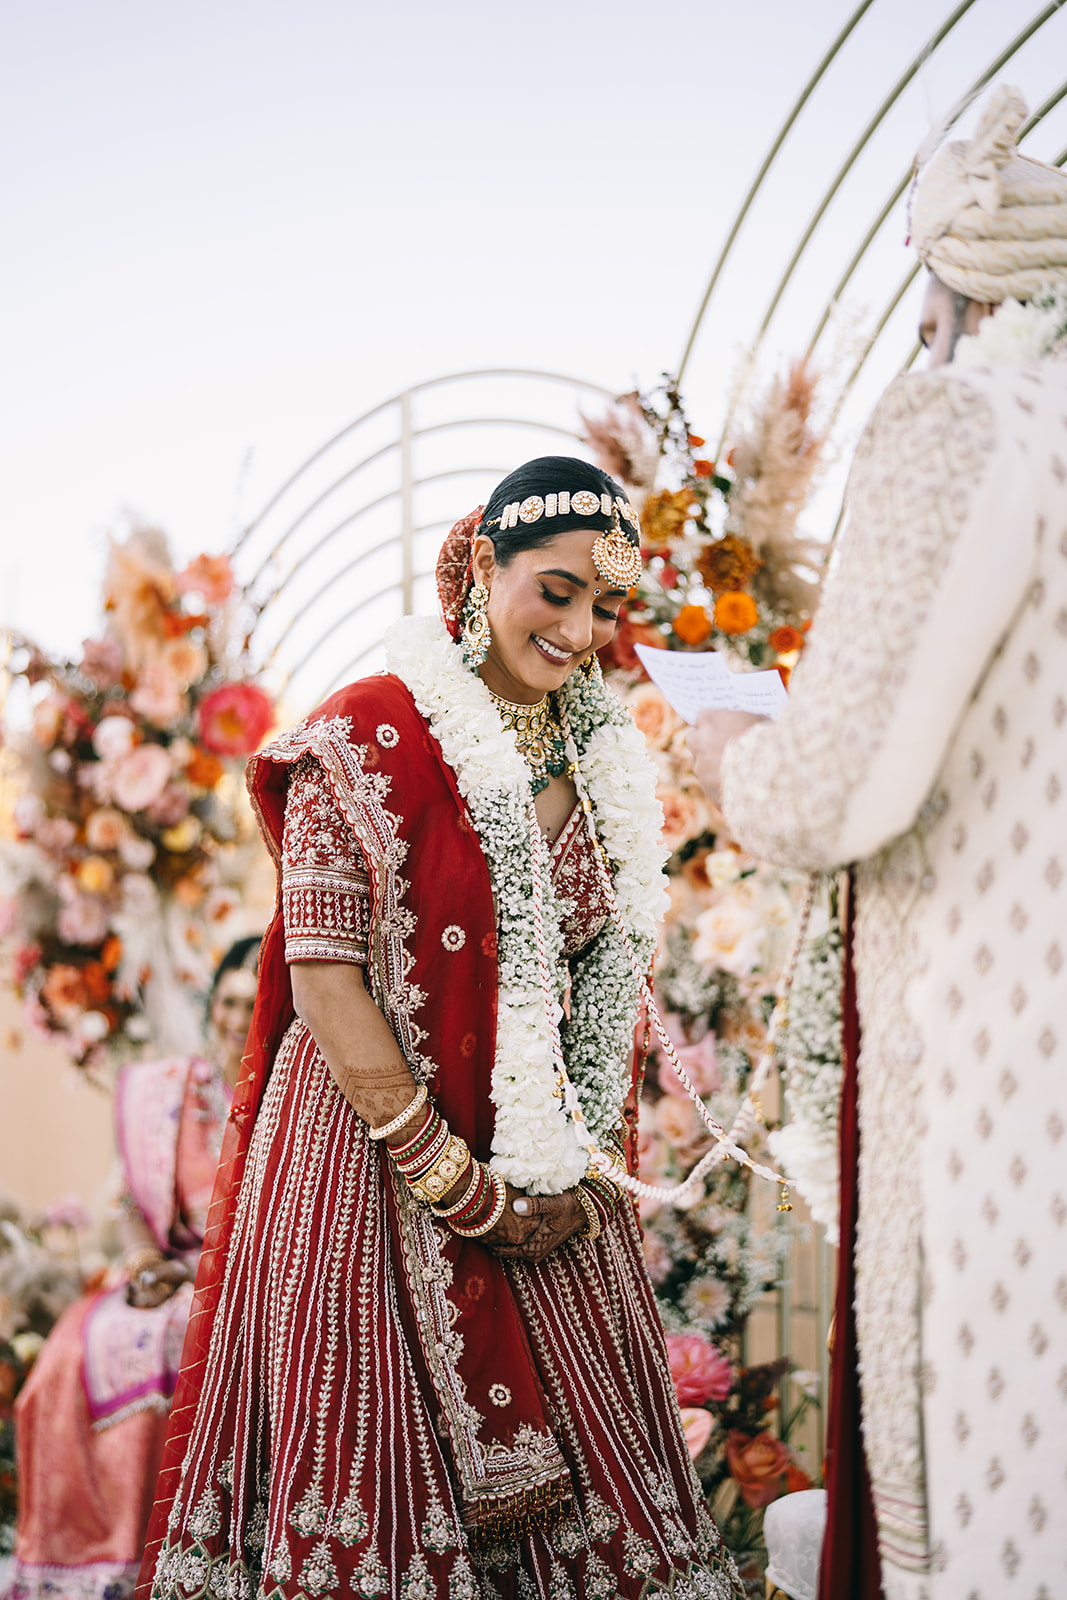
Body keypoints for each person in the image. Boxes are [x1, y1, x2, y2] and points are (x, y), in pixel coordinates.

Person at [137, 457, 745, 1600]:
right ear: (481, 567)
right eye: (554, 590)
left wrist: (578, 1167)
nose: (579, 629)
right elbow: (323, 973)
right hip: (368, 1172)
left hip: (552, 1186)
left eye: (606, 605)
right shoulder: (364, 733)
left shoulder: (602, 756)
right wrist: (445, 1173)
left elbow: (597, 978)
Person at [689, 86, 1067, 1600]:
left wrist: (728, 744)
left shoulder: (964, 415)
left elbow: (823, 793)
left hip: (997, 1112)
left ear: (945, 289)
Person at [8, 938, 261, 1600]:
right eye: (228, 1001)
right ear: (213, 1007)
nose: (238, 1017)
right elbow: (129, 1201)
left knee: (175, 1337)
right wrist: (145, 1260)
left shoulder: (282, 1096)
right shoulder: (166, 1090)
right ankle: (76, 1563)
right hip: (164, 1267)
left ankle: (165, 1555)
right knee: (68, 1351)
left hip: (245, 1274)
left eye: (251, 1002)